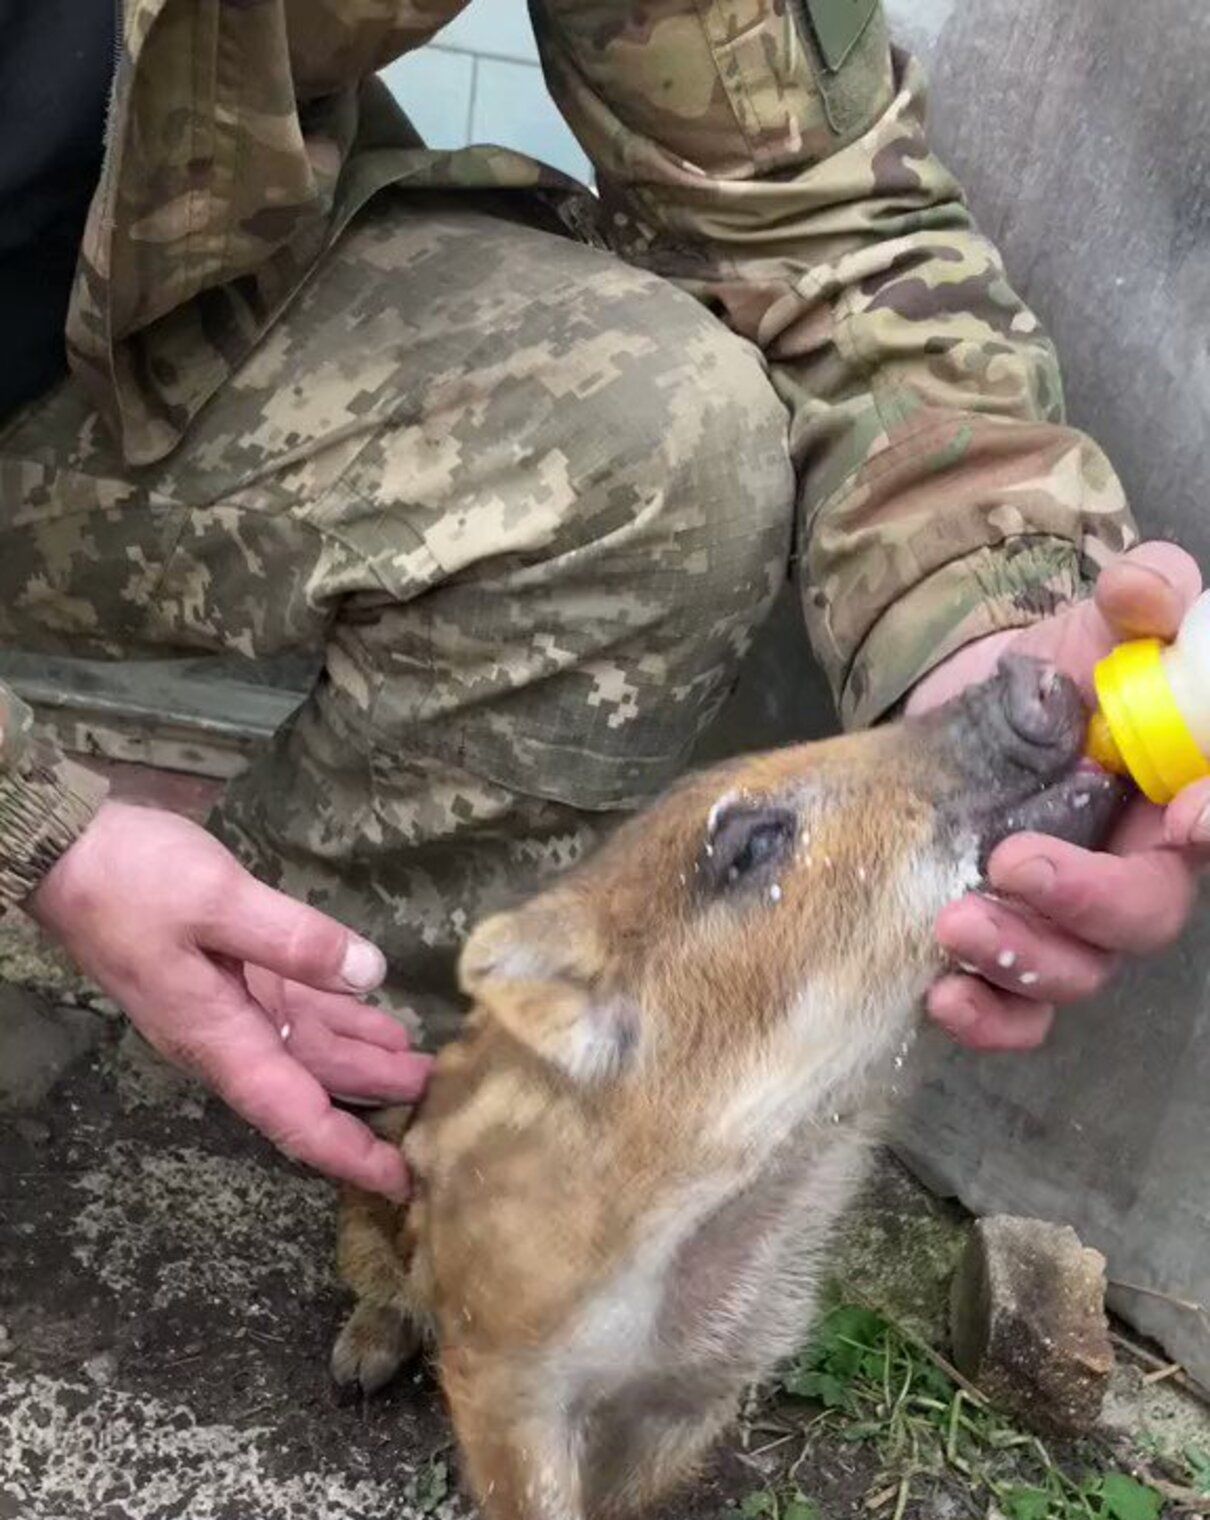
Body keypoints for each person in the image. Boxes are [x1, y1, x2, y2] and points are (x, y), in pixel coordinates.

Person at [0, 1, 1205, 1203]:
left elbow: (811, 212)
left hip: (106, 337)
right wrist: (39, 826)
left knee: (657, 448)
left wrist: (991, 633)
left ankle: (344, 1057)